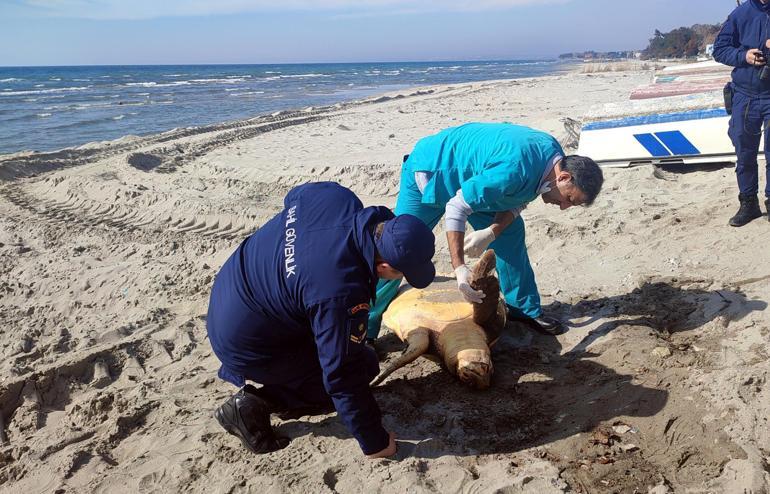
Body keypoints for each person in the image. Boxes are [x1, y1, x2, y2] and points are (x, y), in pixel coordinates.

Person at [207, 182, 435, 458]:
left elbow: (295, 197)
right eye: (403, 274)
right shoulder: (340, 292)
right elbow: (342, 376)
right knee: (362, 366)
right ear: (384, 267)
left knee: (350, 349)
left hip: (231, 290)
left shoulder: (335, 197)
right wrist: (376, 442)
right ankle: (251, 405)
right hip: (247, 341)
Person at [366, 122, 603, 340]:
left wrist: (491, 232)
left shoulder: (552, 161)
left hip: (476, 181)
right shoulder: (515, 170)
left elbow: (519, 199)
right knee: (395, 252)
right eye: (569, 199)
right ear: (563, 177)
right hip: (429, 173)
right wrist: (460, 270)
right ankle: (364, 327)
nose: (564, 207)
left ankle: (523, 308)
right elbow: (456, 207)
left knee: (509, 235)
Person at [714, 0, 770, 226]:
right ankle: (749, 203)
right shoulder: (740, 14)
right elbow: (719, 50)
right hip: (745, 95)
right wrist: (744, 56)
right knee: (744, 153)